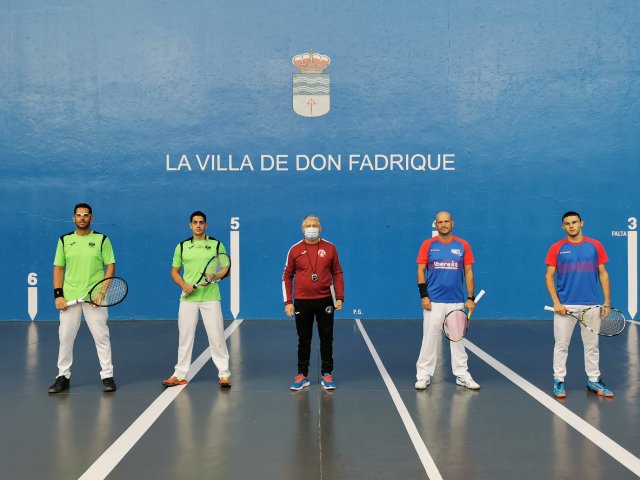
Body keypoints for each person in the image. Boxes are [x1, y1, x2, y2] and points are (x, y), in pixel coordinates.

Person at [49, 203, 117, 393]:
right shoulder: (64, 240)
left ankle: (107, 376)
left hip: (95, 298)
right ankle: (63, 376)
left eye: (85, 215)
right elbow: (58, 268)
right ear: (73, 218)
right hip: (70, 298)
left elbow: (110, 267)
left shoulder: (102, 240)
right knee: (65, 338)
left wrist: (102, 293)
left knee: (101, 337)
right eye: (78, 215)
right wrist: (58, 295)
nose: (82, 218)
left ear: (91, 218)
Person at [545, 211, 613, 398]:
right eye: (567, 223)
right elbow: (549, 277)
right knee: (561, 345)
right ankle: (559, 380)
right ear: (563, 226)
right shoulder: (556, 248)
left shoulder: (595, 246)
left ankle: (593, 380)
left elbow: (603, 274)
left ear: (581, 223)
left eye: (574, 222)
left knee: (592, 346)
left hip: (591, 305)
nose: (571, 226)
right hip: (565, 307)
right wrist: (557, 303)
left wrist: (607, 302)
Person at [162, 211, 232, 389]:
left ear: (206, 225)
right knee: (185, 337)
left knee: (217, 336)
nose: (198, 225)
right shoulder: (182, 246)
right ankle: (179, 374)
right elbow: (174, 272)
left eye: (201, 222)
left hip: (211, 298)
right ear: (190, 225)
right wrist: (184, 285)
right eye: (195, 222)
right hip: (188, 299)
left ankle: (224, 374)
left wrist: (215, 276)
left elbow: (226, 267)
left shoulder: (216, 244)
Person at [415, 211, 480, 390]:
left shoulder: (463, 245)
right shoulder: (427, 245)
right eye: (440, 222)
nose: (443, 224)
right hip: (433, 301)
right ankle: (423, 375)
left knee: (457, 340)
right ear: (436, 225)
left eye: (446, 221)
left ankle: (462, 375)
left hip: (456, 301)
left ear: (452, 223)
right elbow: (420, 271)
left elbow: (469, 272)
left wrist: (470, 297)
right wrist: (424, 295)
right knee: (429, 339)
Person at [283, 215, 344, 391]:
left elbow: (337, 273)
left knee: (326, 337)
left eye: (314, 225)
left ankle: (327, 374)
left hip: (325, 300)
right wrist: (288, 301)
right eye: (308, 225)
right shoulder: (294, 250)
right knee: (304, 339)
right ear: (302, 229)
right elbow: (287, 276)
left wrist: (339, 297)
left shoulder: (330, 248)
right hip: (302, 302)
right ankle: (302, 375)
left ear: (320, 228)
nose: (311, 228)